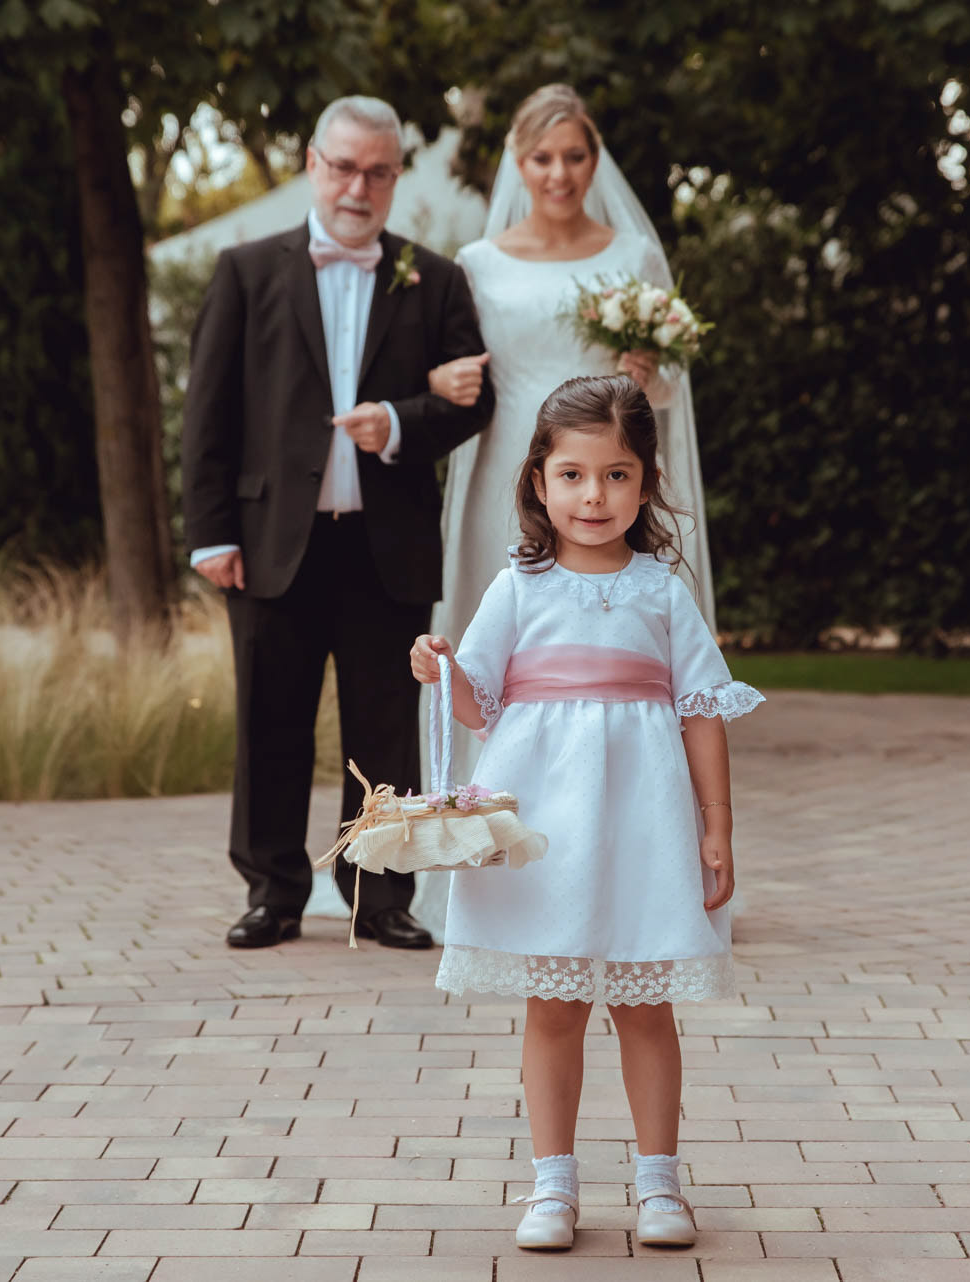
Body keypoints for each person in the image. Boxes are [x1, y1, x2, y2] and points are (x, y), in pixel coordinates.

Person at [408, 375, 763, 1251]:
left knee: (646, 1003)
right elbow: (478, 700)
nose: (593, 495)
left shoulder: (661, 592)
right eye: (572, 475)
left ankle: (659, 1185)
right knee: (554, 1004)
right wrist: (440, 668)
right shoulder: (518, 588)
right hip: (546, 828)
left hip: (644, 823)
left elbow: (702, 712)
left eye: (615, 475)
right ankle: (552, 1187)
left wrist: (716, 828)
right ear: (538, 480)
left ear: (646, 484)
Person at [183, 95, 495, 951]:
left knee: (386, 727)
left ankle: (383, 895)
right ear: (313, 163)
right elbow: (208, 413)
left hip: (385, 545)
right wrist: (211, 532)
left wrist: (398, 423)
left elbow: (475, 401)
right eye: (344, 166)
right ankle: (272, 893)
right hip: (271, 542)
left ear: (396, 177)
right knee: (270, 724)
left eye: (378, 171)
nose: (359, 186)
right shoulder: (245, 270)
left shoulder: (435, 278)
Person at [415, 83, 717, 936]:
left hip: (604, 464)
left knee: (602, 657)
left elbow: (666, 382)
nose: (559, 173)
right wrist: (438, 384)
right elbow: (450, 365)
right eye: (543, 157)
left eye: (575, 156)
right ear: (518, 161)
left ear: (596, 159)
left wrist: (653, 375)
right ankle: (477, 865)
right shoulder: (476, 263)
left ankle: (626, 859)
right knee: (502, 658)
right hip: (507, 469)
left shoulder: (632, 258)